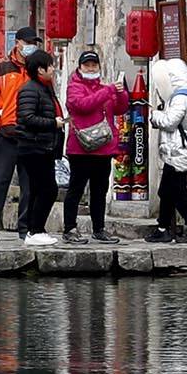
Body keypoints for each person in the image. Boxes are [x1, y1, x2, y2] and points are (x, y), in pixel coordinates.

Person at [59, 44, 130, 243]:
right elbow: (82, 105)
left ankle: (99, 228)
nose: (91, 68)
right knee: (76, 189)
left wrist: (121, 92)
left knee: (100, 191)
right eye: (87, 65)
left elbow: (120, 108)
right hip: (81, 148)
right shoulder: (74, 87)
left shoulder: (103, 87)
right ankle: (69, 229)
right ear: (80, 68)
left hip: (103, 148)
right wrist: (108, 91)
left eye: (94, 65)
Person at [0, 25, 41, 239]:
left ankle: (26, 230)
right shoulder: (0, 68)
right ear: (18, 43)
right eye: (28, 43)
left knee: (30, 186)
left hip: (30, 136)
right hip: (5, 135)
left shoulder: (37, 70)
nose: (31, 47)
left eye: (34, 43)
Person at [3, 46, 65, 245]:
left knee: (39, 189)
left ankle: (34, 229)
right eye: (50, 66)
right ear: (40, 69)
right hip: (33, 147)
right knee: (48, 189)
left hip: (44, 147)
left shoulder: (45, 88)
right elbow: (27, 118)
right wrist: (53, 123)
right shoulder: (30, 89)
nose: (53, 69)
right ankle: (35, 229)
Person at [146, 55, 187, 243]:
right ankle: (162, 228)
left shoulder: (181, 98)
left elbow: (171, 122)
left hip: (180, 151)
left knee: (178, 191)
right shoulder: (184, 95)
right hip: (176, 152)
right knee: (166, 190)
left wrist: (154, 115)